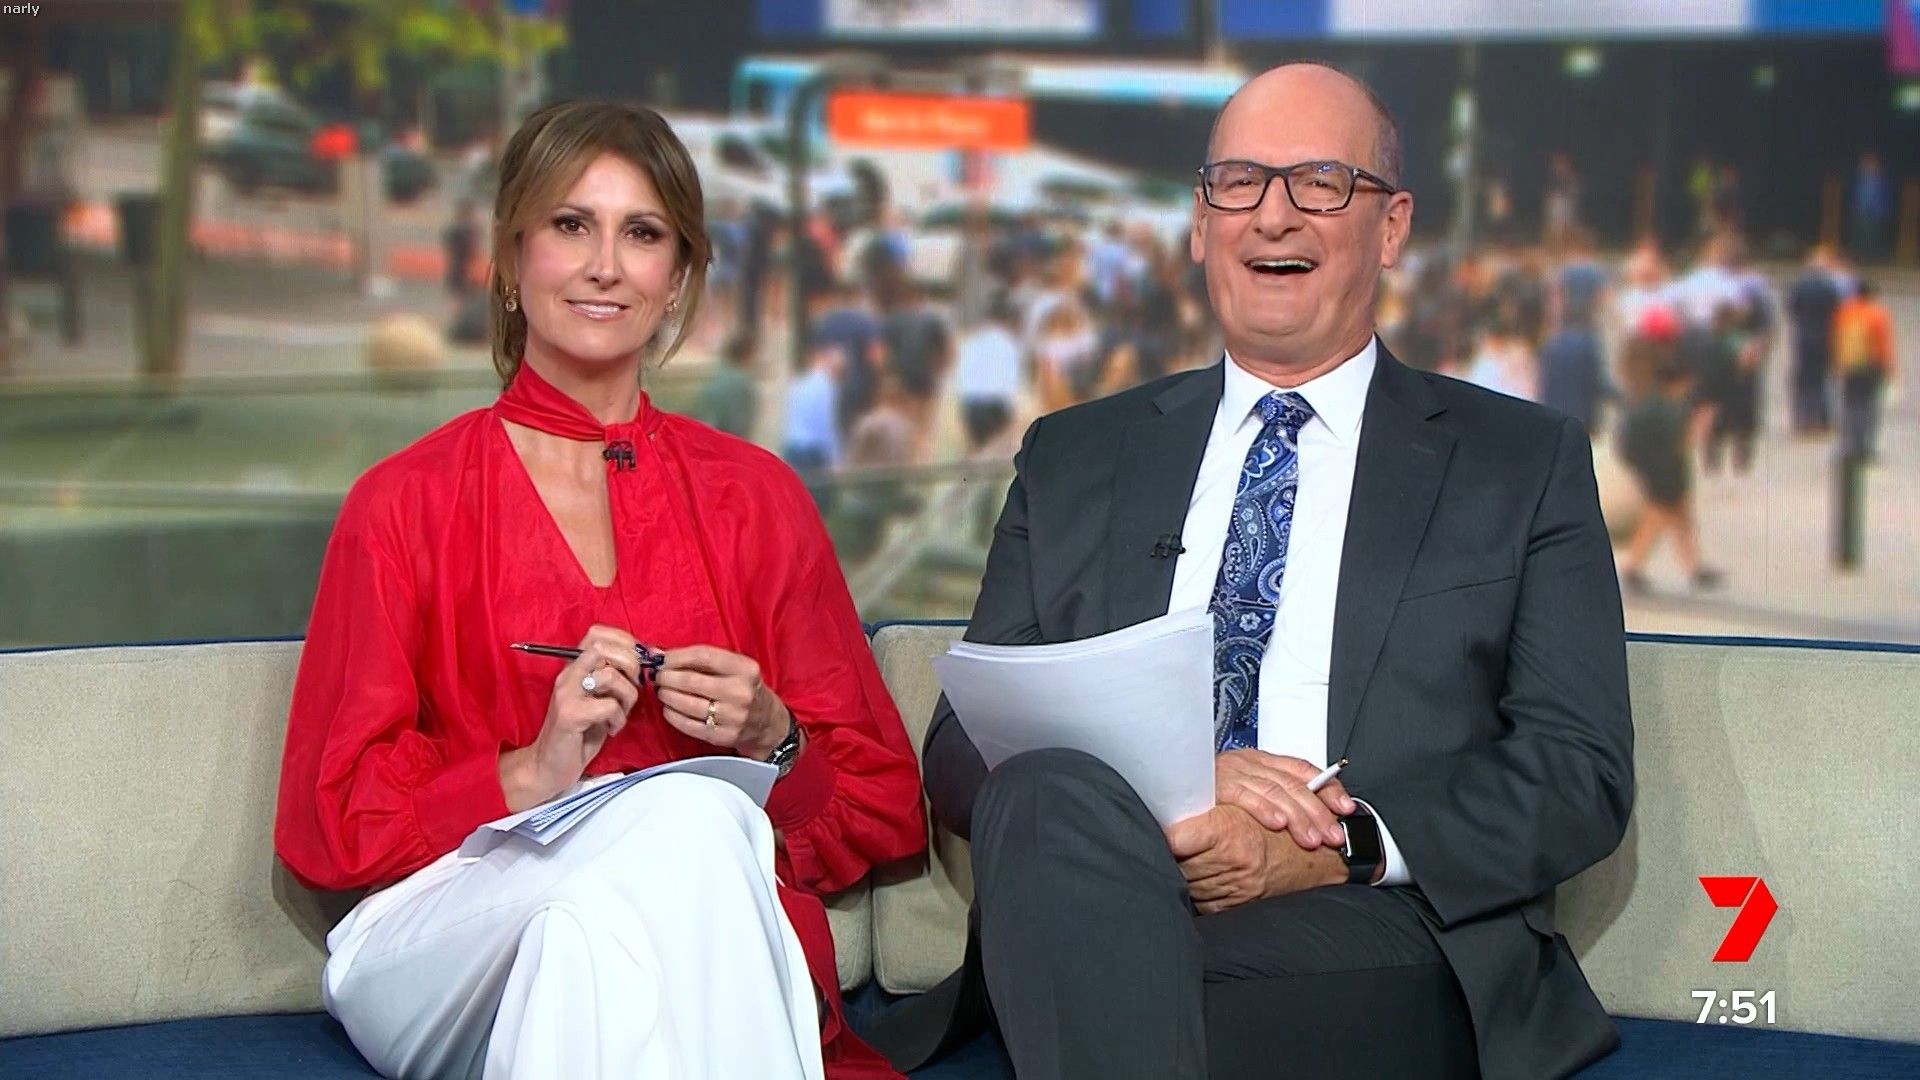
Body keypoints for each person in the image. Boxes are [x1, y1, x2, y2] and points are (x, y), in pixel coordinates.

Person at [870, 63, 1633, 1080]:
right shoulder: (1075, 456)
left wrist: (1335, 848)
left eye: (1320, 181)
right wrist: (1169, 782)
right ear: (1200, 225)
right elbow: (965, 745)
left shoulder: (1518, 462)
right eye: (1238, 182)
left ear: (1392, 226)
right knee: (1049, 801)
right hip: (1098, 892)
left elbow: (1578, 772)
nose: (1274, 215)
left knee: (1116, 999)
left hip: (1371, 917)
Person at [274, 101, 926, 1080]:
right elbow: (332, 820)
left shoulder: (757, 499)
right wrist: (530, 772)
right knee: (693, 818)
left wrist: (772, 737)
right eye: (572, 225)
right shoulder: (402, 502)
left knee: (597, 929)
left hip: (642, 935)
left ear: (678, 280)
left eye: (643, 234)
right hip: (441, 932)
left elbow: (879, 804)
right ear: (510, 259)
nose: (606, 266)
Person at [1616, 362, 1722, 595]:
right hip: (1668, 476)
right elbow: (1681, 444)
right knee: (1657, 519)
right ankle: (1633, 566)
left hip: (1652, 473)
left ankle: (1693, 567)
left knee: (1679, 521)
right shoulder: (1672, 410)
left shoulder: (1646, 405)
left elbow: (1627, 443)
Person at [1832, 280, 1897, 464]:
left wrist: (1836, 364)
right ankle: (1865, 448)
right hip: (1871, 366)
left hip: (1849, 365)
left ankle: (1848, 446)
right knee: (1869, 407)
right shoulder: (1877, 314)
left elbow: (1835, 339)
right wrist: (1889, 368)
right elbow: (1884, 343)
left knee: (1850, 406)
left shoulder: (1844, 312)